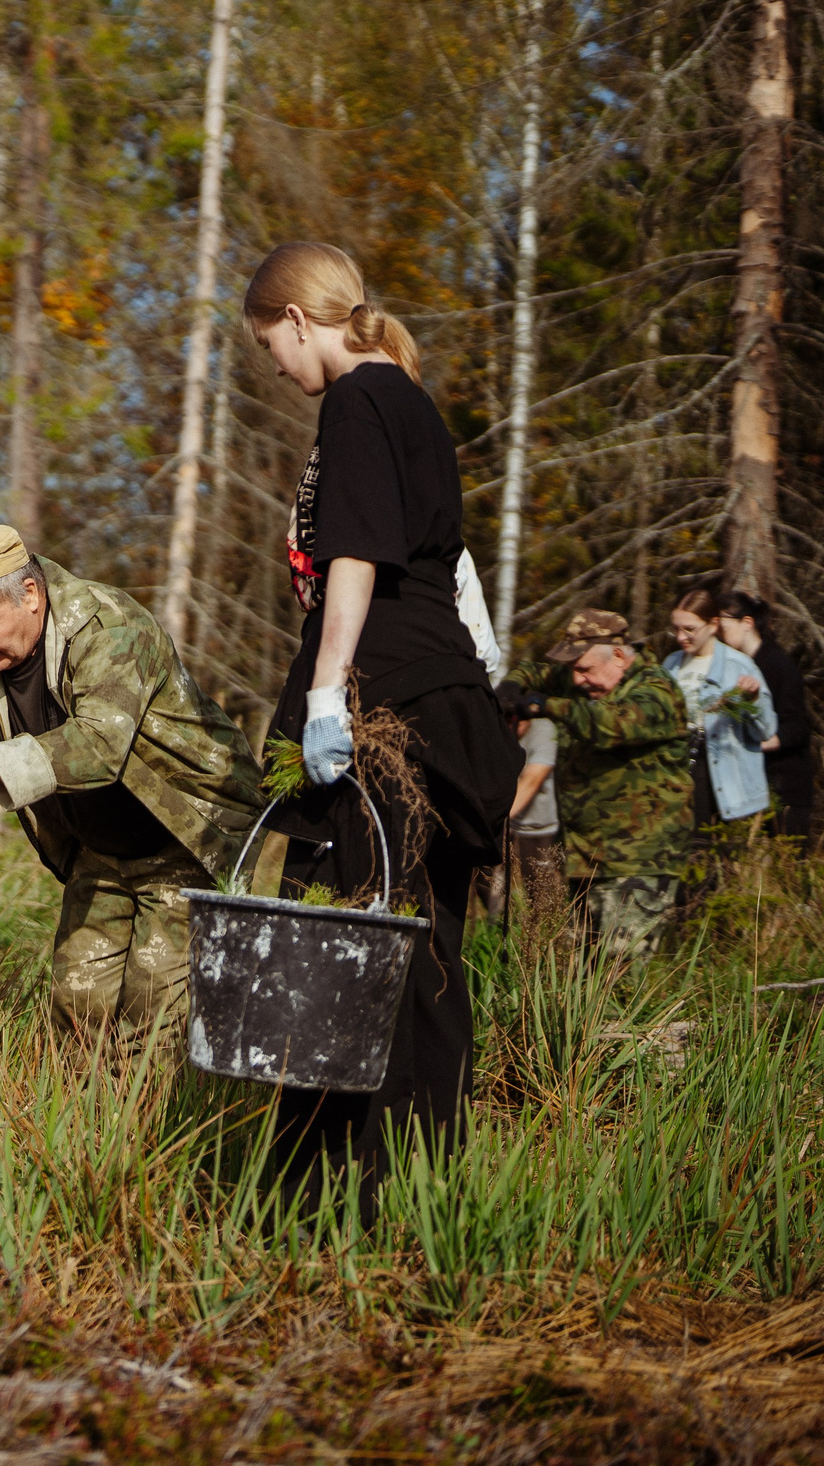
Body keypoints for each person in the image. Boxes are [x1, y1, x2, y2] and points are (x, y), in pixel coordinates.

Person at [244, 241, 519, 1210]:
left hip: (384, 708)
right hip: (443, 701)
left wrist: (328, 693)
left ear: (297, 319)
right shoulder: (410, 400)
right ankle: (421, 1188)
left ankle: (327, 1202)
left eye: (270, 345)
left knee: (341, 947)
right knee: (424, 948)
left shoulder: (358, 399)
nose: (277, 368)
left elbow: (356, 554)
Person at [0, 525, 262, 1051]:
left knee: (155, 1014)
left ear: (30, 594)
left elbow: (100, 744)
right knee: (78, 1003)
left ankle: (150, 1107)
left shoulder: (109, 627)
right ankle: (81, 1104)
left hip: (186, 838)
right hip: (100, 849)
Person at [503, 611, 693, 957]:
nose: (577, 679)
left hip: (638, 861)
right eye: (573, 669)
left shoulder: (656, 690)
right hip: (583, 857)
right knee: (579, 970)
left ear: (618, 656)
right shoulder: (582, 679)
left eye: (585, 669)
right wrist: (512, 686)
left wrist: (546, 705)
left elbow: (609, 724)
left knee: (622, 969)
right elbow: (534, 672)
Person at [662, 586, 777, 831]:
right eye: (676, 629)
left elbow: (765, 731)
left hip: (725, 786)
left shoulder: (739, 665)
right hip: (678, 780)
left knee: (715, 853)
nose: (681, 637)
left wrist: (753, 699)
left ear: (713, 625)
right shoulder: (670, 664)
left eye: (689, 629)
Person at [716, 589, 813, 841]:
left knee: (789, 860)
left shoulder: (777, 664)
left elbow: (796, 728)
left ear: (746, 623)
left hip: (785, 786)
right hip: (750, 786)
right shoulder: (731, 666)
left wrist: (751, 746)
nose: (718, 636)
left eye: (722, 627)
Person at [496, 681, 563, 922]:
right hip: (504, 823)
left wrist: (497, 818)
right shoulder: (497, 731)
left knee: (540, 895)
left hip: (537, 828)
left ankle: (543, 935)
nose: (510, 727)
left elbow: (531, 781)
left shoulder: (544, 730)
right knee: (492, 890)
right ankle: (500, 929)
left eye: (514, 721)